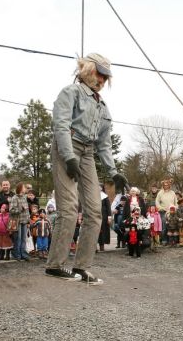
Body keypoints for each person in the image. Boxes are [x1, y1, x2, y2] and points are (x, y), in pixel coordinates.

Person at [46, 52, 126, 282]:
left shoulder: (103, 107)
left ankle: (81, 267)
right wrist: (68, 157)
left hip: (88, 152)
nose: (101, 80)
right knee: (69, 208)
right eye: (99, 74)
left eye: (105, 77)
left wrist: (113, 172)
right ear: (88, 70)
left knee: (95, 210)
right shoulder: (71, 92)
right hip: (68, 145)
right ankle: (55, 265)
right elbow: (61, 126)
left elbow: (104, 144)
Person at [9, 183, 31, 261]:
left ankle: (23, 254)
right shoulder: (14, 198)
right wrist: (21, 209)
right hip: (17, 222)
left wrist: (28, 220)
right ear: (20, 188)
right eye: (24, 187)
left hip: (24, 221)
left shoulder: (24, 197)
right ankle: (17, 255)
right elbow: (11, 210)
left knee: (24, 239)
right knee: (18, 239)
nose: (25, 189)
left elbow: (27, 210)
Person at [156, 179, 177, 245]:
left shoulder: (172, 193)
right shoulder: (160, 193)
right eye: (165, 185)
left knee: (172, 226)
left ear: (169, 185)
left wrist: (175, 208)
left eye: (167, 185)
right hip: (163, 211)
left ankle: (171, 240)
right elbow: (157, 201)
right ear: (163, 185)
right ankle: (164, 240)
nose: (166, 186)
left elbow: (176, 202)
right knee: (164, 226)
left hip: (172, 212)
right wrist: (160, 208)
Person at [98, 184, 112, 252]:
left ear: (102, 188)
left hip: (104, 215)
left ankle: (102, 246)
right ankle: (94, 247)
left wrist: (109, 217)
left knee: (102, 231)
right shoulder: (93, 195)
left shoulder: (105, 196)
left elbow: (108, 207)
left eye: (99, 187)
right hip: (95, 214)